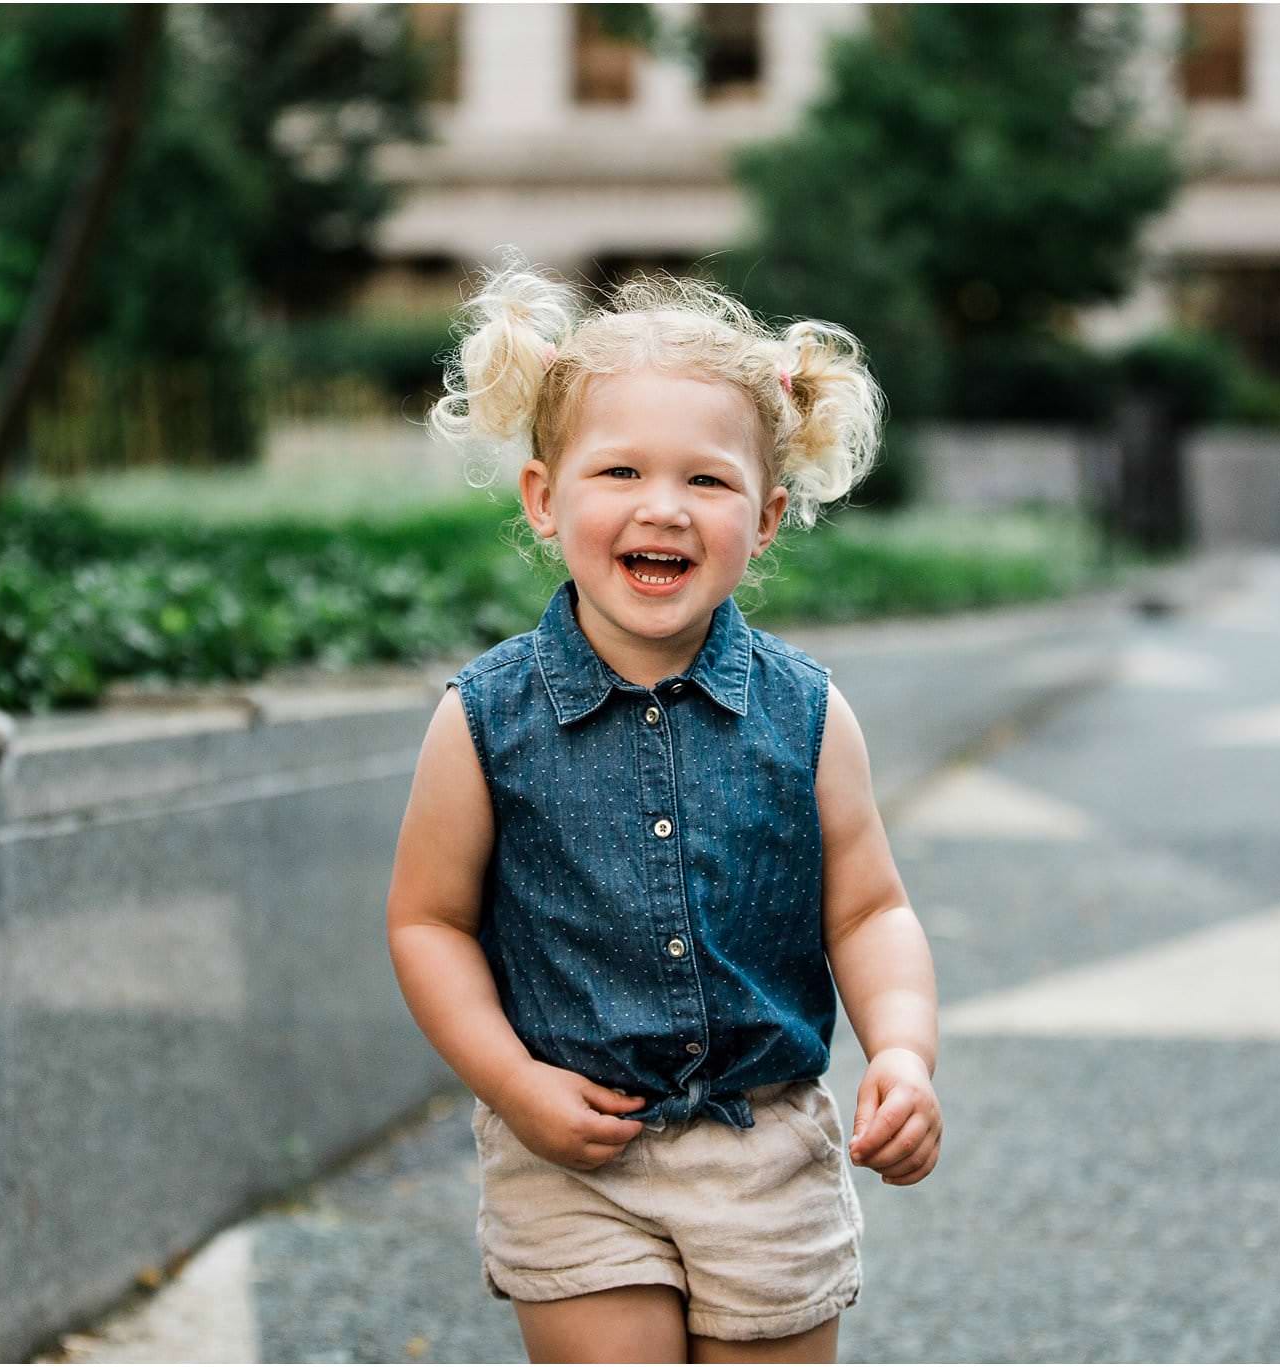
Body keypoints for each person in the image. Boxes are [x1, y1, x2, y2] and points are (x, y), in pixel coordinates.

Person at [385, 259, 940, 1365]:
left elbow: (869, 908)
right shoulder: (485, 720)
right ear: (544, 498)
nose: (662, 506)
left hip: (765, 1147)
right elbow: (428, 922)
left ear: (768, 517)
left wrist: (905, 1051)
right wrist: (511, 1080)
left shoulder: (808, 712)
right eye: (621, 469)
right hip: (572, 1153)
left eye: (707, 481)